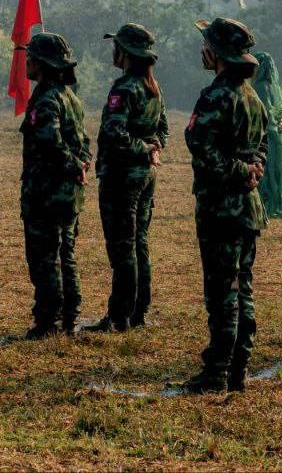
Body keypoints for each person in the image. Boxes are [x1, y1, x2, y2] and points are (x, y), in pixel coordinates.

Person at [182, 17, 267, 393]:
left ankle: (218, 370)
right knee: (241, 287)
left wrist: (238, 171)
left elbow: (202, 146)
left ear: (215, 53)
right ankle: (239, 368)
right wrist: (252, 170)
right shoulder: (252, 97)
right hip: (247, 207)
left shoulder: (217, 96)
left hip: (223, 208)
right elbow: (262, 147)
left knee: (222, 292)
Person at [87, 23, 168, 334]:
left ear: (127, 53)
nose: (113, 52)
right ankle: (138, 311)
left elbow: (114, 133)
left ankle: (120, 315)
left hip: (122, 177)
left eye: (117, 46)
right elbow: (163, 130)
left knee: (123, 248)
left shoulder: (125, 88)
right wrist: (153, 148)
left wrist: (144, 147)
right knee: (139, 244)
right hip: (146, 176)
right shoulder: (153, 88)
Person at [19, 32, 92, 340]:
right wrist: (81, 165)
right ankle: (69, 317)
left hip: (47, 193)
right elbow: (84, 142)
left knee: (45, 258)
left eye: (30, 57)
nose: (26, 62)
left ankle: (48, 320)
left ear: (41, 64)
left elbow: (52, 143)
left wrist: (75, 166)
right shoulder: (69, 97)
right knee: (66, 254)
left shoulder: (47, 99)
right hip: (67, 193)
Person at [251, 51, 282, 219]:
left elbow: (261, 114)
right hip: (278, 136)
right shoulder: (275, 87)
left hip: (265, 136)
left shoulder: (259, 87)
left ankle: (266, 203)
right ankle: (278, 203)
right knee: (277, 170)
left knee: (265, 170)